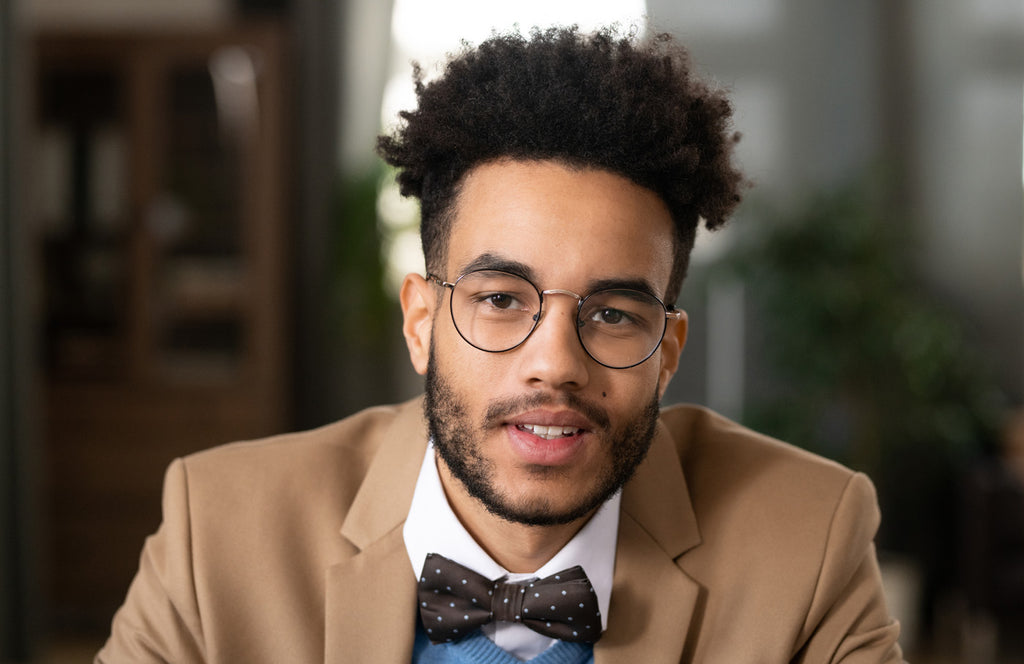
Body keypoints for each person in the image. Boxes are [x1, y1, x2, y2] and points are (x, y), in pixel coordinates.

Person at [97, 26, 904, 663]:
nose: (554, 363)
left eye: (614, 314)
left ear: (668, 352)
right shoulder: (219, 535)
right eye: (499, 300)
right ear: (420, 321)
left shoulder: (810, 540)